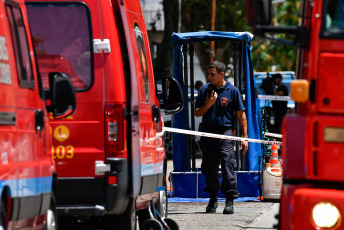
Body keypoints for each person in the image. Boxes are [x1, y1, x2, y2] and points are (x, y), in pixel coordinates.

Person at [195, 60, 248, 214]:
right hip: (207, 133)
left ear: (221, 74)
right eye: (208, 74)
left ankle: (229, 200)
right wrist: (209, 104)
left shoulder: (232, 91)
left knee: (227, 164)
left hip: (226, 133)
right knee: (209, 168)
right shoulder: (205, 89)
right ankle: (213, 199)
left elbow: (241, 114)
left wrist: (245, 137)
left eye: (213, 74)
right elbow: (197, 112)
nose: (209, 77)